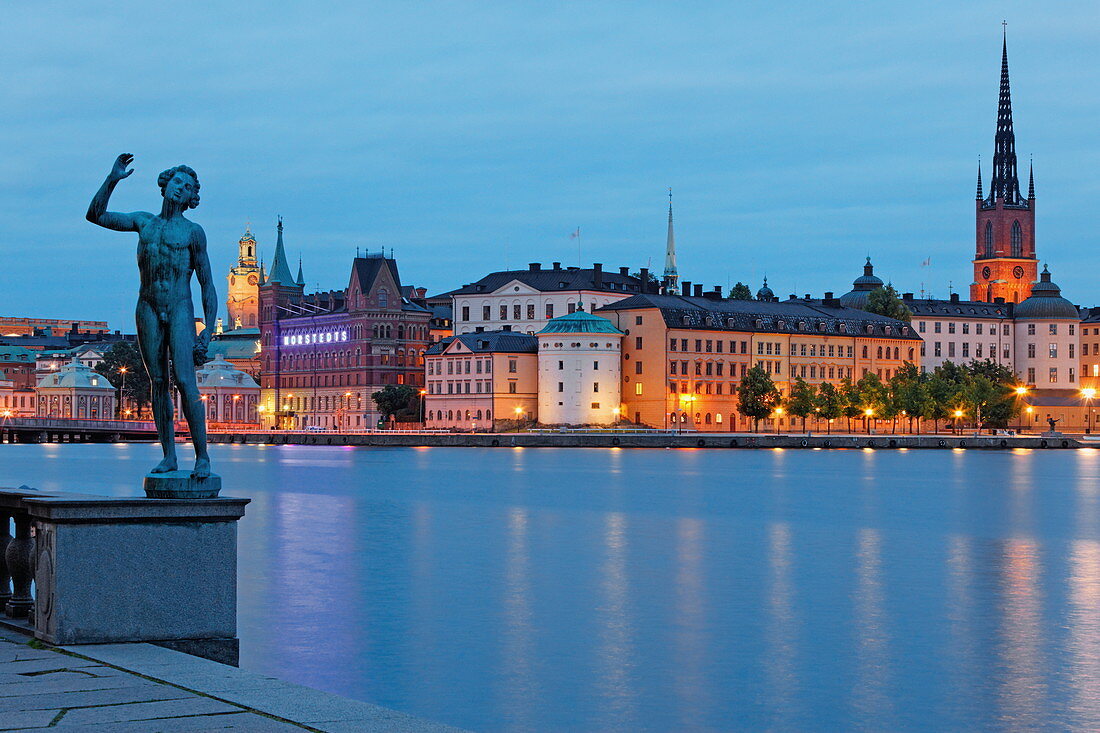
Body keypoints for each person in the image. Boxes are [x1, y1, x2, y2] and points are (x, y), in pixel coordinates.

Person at [87, 154, 217, 478]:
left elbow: (207, 284)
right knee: (157, 382)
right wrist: (113, 178)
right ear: (165, 185)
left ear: (191, 198)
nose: (179, 188)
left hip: (180, 307)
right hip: (146, 305)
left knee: (186, 381)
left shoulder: (193, 233)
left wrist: (209, 329)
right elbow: (95, 215)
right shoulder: (144, 222)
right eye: (176, 181)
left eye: (187, 187)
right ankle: (169, 457)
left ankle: (202, 458)